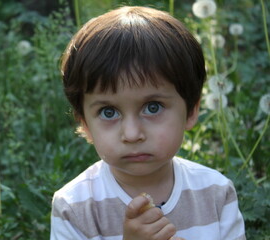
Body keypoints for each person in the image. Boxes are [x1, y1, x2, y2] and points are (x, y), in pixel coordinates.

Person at [51, 6, 246, 240]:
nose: (132, 134)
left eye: (152, 107)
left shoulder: (216, 193)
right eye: (109, 112)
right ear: (84, 123)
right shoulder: (75, 207)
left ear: (192, 110)